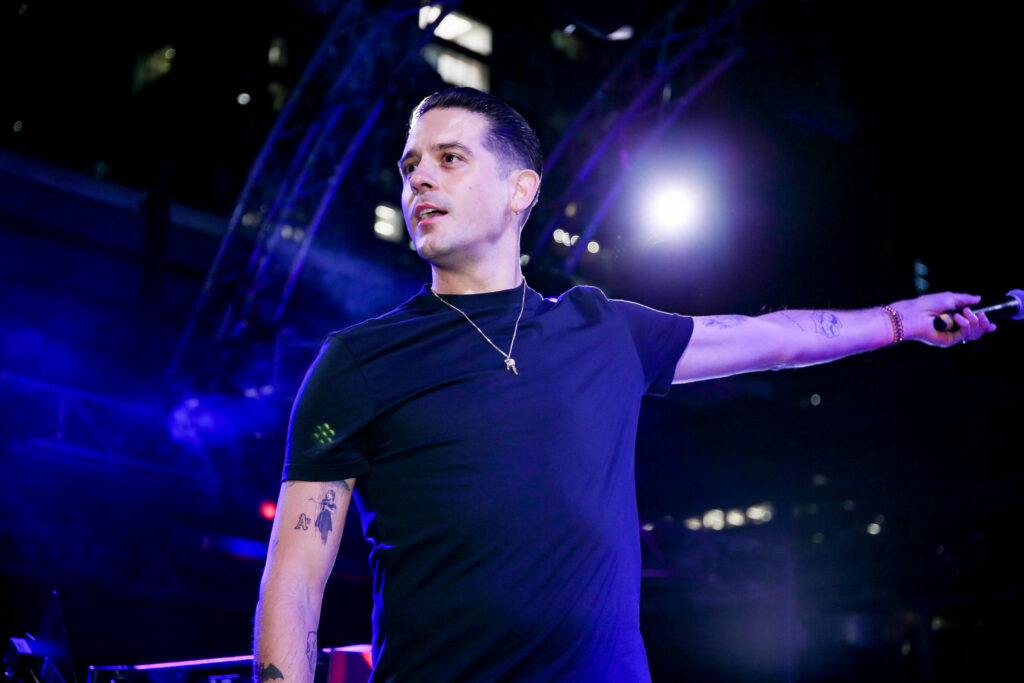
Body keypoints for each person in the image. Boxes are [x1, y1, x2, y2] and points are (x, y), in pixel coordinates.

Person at [253, 86, 995, 682]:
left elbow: (772, 338)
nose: (419, 177)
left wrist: (900, 320)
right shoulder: (358, 360)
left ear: (520, 189)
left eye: (449, 158)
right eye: (410, 163)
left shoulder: (604, 329)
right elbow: (293, 582)